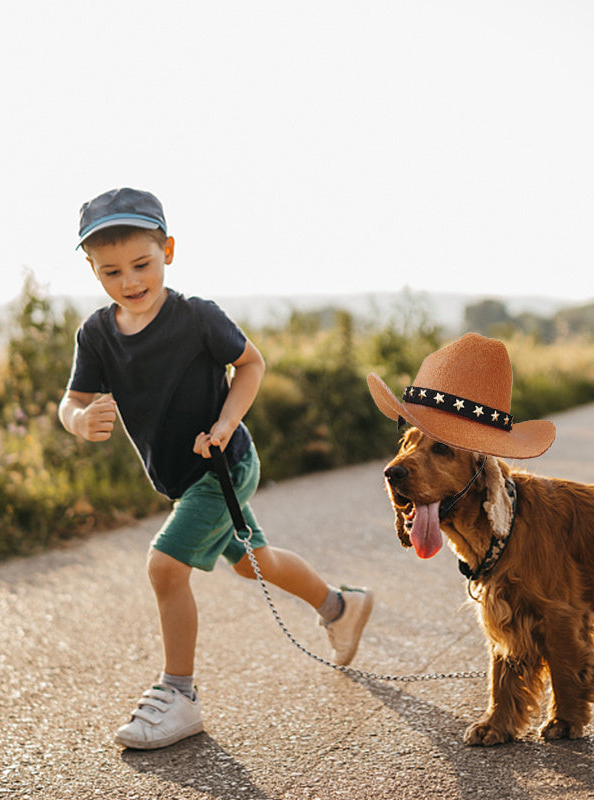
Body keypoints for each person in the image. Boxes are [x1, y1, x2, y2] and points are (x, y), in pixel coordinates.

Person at [58, 187, 373, 750]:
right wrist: (79, 420)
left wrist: (226, 423)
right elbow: (71, 400)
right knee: (255, 563)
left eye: (141, 264)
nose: (129, 282)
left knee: (164, 568)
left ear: (168, 252)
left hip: (225, 463)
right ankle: (340, 607)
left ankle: (179, 695)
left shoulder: (197, 316)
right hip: (185, 480)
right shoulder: (97, 334)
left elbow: (251, 364)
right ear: (92, 270)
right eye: (111, 272)